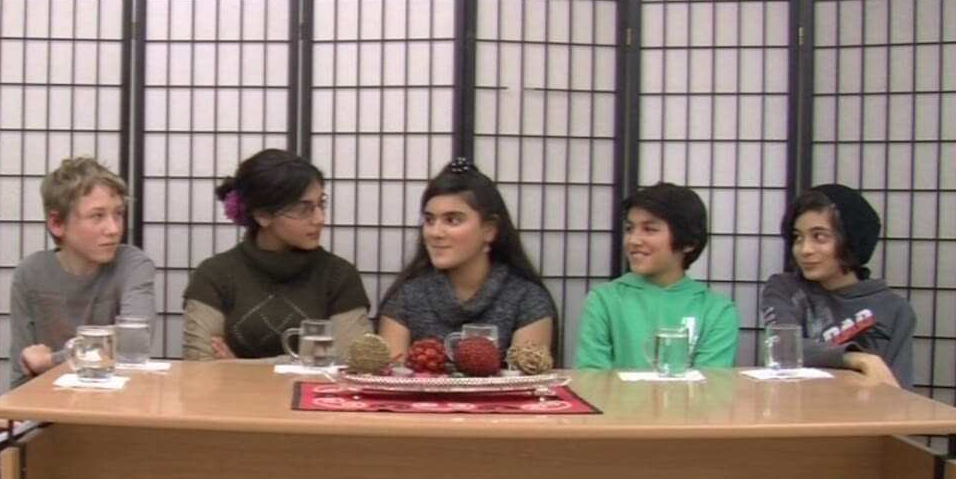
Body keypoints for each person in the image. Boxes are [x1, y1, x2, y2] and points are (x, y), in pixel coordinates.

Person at [182, 148, 371, 360]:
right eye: (303, 209)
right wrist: (307, 361)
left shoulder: (338, 275)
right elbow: (200, 366)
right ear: (263, 215)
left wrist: (238, 366)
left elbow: (350, 363)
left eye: (321, 204)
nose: (320, 219)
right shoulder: (215, 275)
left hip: (313, 388)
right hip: (232, 389)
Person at [377, 158, 555, 358]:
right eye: (429, 220)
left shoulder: (527, 300)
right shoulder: (405, 298)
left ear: (490, 229)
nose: (435, 232)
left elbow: (527, 375)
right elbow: (392, 374)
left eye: (452, 220)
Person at [10, 157, 156, 387]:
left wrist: (50, 361)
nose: (113, 229)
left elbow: (134, 341)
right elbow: (22, 372)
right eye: (97, 216)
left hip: (120, 398)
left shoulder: (132, 264)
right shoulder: (31, 273)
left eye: (118, 213)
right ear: (57, 223)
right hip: (48, 400)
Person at [761, 184, 915, 388]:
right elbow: (783, 348)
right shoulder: (784, 289)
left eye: (819, 237)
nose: (805, 249)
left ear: (851, 239)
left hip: (867, 406)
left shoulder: (894, 309)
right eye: (798, 237)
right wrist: (858, 358)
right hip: (794, 403)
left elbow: (897, 386)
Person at [576, 182, 739, 369]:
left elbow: (711, 382)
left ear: (689, 242)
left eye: (650, 229)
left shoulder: (717, 310)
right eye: (629, 228)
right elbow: (591, 376)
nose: (633, 240)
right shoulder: (603, 300)